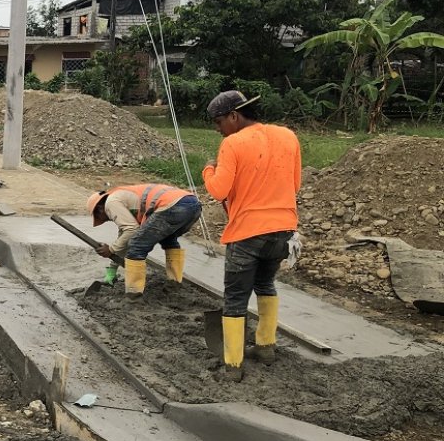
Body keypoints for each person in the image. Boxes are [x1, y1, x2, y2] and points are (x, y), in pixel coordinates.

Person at [202, 90, 301, 382]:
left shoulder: (232, 144)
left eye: (219, 122)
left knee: (235, 297)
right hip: (283, 231)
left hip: (247, 232)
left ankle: (233, 365)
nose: (218, 129)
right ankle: (266, 347)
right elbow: (294, 184)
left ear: (234, 116)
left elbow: (219, 190)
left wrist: (209, 170)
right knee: (265, 284)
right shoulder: (288, 136)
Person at [89, 184, 204, 295]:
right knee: (168, 239)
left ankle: (133, 295)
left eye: (101, 218)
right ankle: (174, 283)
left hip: (173, 205)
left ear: (100, 209)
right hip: (192, 205)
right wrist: (112, 269)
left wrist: (110, 249)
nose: (107, 220)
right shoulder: (121, 199)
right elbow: (124, 239)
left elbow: (131, 232)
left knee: (136, 245)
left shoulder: (111, 203)